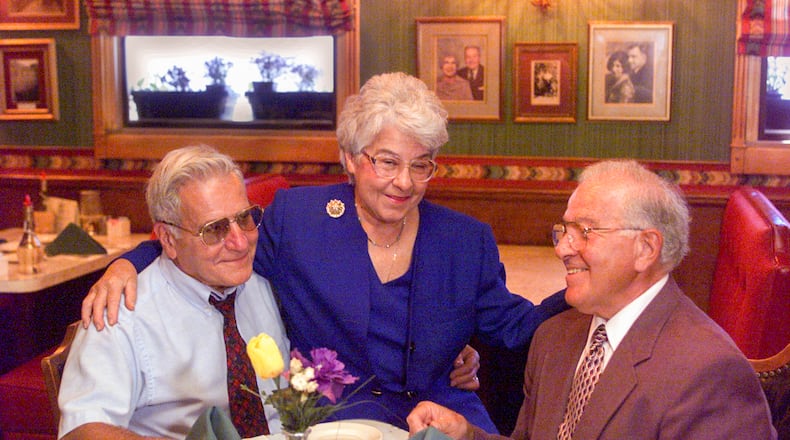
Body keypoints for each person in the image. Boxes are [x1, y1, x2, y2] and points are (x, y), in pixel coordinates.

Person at [82, 72, 568, 433]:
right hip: (338, 423)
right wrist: (128, 263)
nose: (405, 182)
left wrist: (594, 286)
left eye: (422, 165)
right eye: (387, 162)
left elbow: (517, 328)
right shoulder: (299, 219)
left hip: (441, 418)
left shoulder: (465, 240)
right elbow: (214, 245)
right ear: (351, 160)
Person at [406, 160, 777, 440]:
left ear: (646, 248)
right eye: (563, 231)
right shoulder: (555, 338)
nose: (563, 249)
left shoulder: (708, 372)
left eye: (584, 232)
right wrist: (466, 435)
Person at [59, 146, 290, 438]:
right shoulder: (123, 312)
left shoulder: (265, 280)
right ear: (168, 239)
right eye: (215, 229)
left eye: (245, 218)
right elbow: (82, 430)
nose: (240, 243)